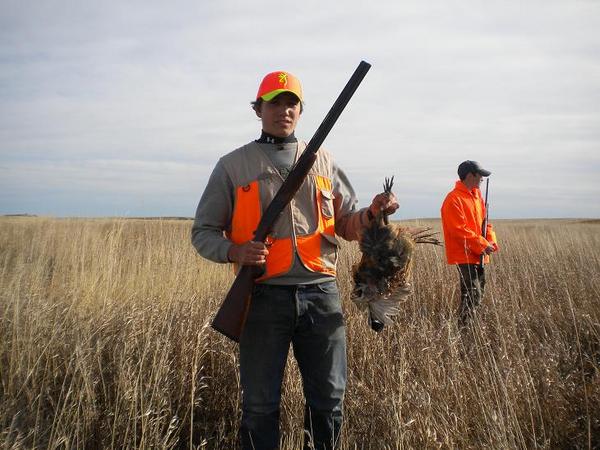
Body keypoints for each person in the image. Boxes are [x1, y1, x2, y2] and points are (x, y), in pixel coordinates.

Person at [191, 70, 398, 450]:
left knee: (329, 402)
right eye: (274, 102)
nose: (283, 110)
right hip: (262, 297)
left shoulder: (325, 162)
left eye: (291, 103)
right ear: (259, 109)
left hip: (321, 295)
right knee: (259, 406)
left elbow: (348, 225)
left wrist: (373, 212)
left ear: (301, 111)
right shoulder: (232, 166)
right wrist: (235, 251)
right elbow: (202, 232)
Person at [440, 160, 498, 328]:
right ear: (470, 175)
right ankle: (464, 330)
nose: (482, 179)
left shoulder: (477, 197)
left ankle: (469, 328)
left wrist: (490, 240)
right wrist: (482, 244)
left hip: (479, 253)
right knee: (472, 294)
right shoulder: (453, 199)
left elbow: (485, 224)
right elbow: (458, 230)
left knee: (477, 294)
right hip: (464, 255)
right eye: (480, 175)